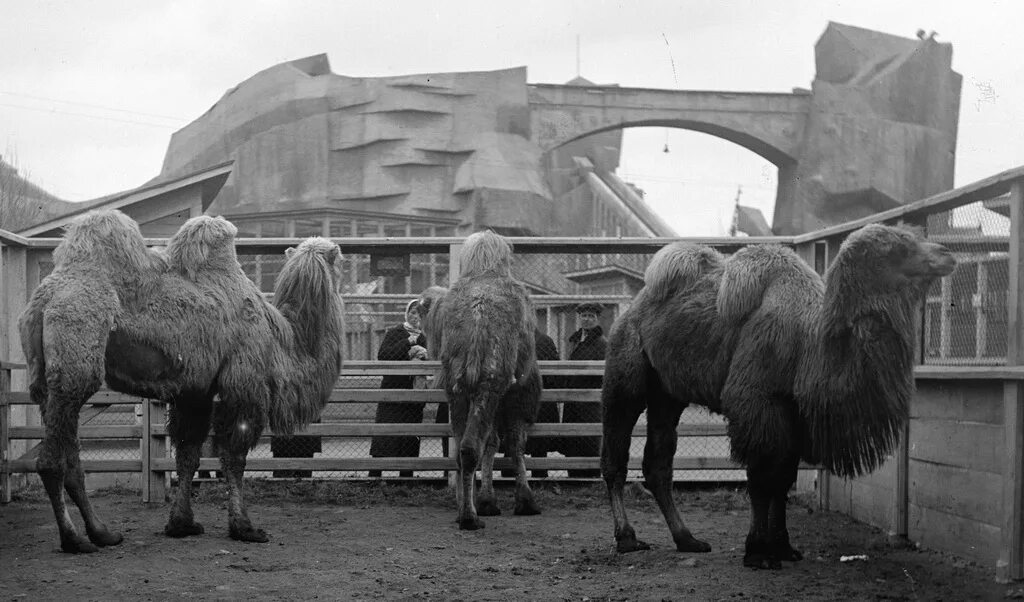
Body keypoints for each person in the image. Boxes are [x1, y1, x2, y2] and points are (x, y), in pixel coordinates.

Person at [369, 298, 428, 478]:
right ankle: (376, 472)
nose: (414, 315)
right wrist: (408, 343)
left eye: (418, 313)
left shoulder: (425, 337)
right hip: (392, 392)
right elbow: (384, 355)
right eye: (412, 311)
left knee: (410, 434)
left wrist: (425, 356)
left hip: (414, 395)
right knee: (385, 432)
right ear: (407, 313)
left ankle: (406, 475)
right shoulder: (395, 332)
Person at [562, 302, 606, 478]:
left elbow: (603, 374)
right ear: (579, 318)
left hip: (590, 402)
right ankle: (573, 475)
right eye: (584, 316)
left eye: (591, 316)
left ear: (597, 319)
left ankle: (591, 478)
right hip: (573, 401)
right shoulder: (574, 340)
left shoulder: (601, 344)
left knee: (589, 441)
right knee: (572, 441)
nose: (587, 319)